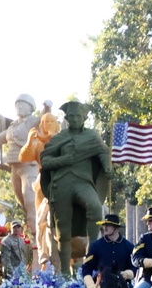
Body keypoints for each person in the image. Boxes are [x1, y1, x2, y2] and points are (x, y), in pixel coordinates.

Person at [39, 101, 112, 276]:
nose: (75, 119)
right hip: (61, 184)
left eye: (79, 116)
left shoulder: (92, 136)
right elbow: (45, 160)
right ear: (67, 118)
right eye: (71, 116)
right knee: (63, 229)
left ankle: (91, 257)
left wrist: (107, 166)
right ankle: (65, 272)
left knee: (95, 208)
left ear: (85, 118)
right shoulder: (59, 138)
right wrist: (64, 160)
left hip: (83, 182)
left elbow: (103, 152)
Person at [0, 94, 40, 245]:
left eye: (23, 104)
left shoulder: (33, 121)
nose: (19, 107)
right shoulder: (12, 126)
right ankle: (34, 235)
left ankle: (37, 241)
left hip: (29, 167)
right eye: (17, 104)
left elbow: (46, 118)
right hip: (14, 168)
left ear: (31, 107)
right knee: (24, 204)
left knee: (30, 200)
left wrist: (47, 107)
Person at [19, 112, 61, 271]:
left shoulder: (64, 140)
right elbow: (23, 157)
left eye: (52, 121)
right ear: (41, 125)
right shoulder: (37, 143)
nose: (49, 123)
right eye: (46, 121)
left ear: (57, 125)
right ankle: (45, 258)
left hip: (62, 183)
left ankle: (68, 257)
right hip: (43, 185)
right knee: (41, 221)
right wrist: (30, 141)